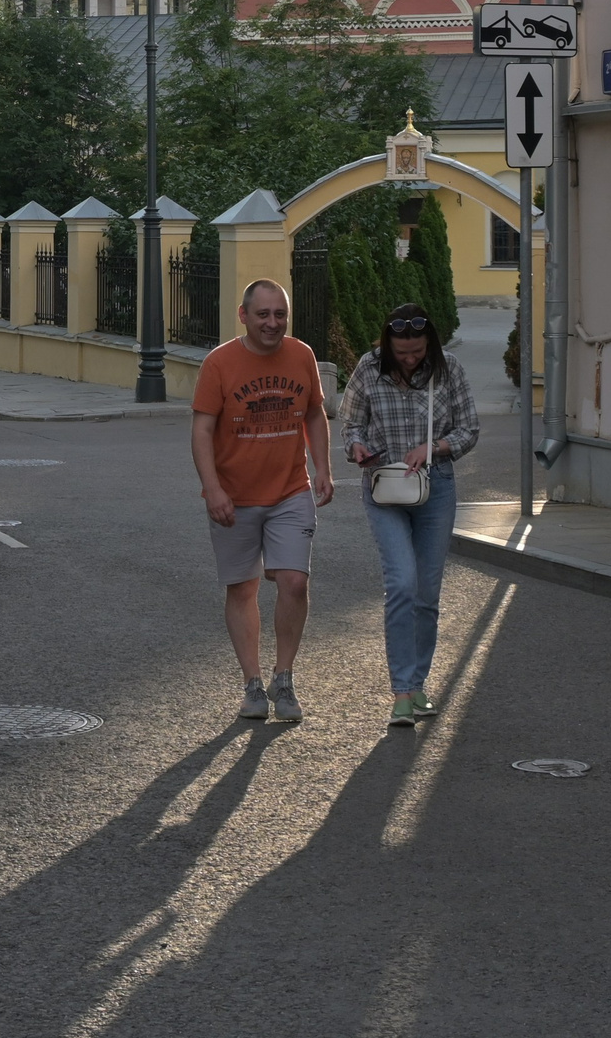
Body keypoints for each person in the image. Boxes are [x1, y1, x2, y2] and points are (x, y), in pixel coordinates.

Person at [191, 278, 333, 723]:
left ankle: (284, 677)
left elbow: (313, 411)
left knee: (294, 582)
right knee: (243, 587)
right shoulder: (219, 364)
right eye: (263, 315)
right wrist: (213, 489)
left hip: (291, 490)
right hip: (234, 496)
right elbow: (202, 430)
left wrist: (323, 468)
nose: (272, 323)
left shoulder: (302, 355)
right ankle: (252, 682)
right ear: (244, 316)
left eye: (280, 315)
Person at [341, 302, 480, 728]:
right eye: (401, 352)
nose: (409, 358)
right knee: (401, 582)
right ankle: (401, 691)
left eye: (416, 351)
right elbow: (350, 426)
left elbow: (469, 428)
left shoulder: (448, 369)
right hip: (384, 489)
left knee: (426, 595)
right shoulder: (368, 368)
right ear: (387, 345)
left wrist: (434, 447)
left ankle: (418, 684)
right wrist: (357, 448)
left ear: (429, 344)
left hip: (435, 489)